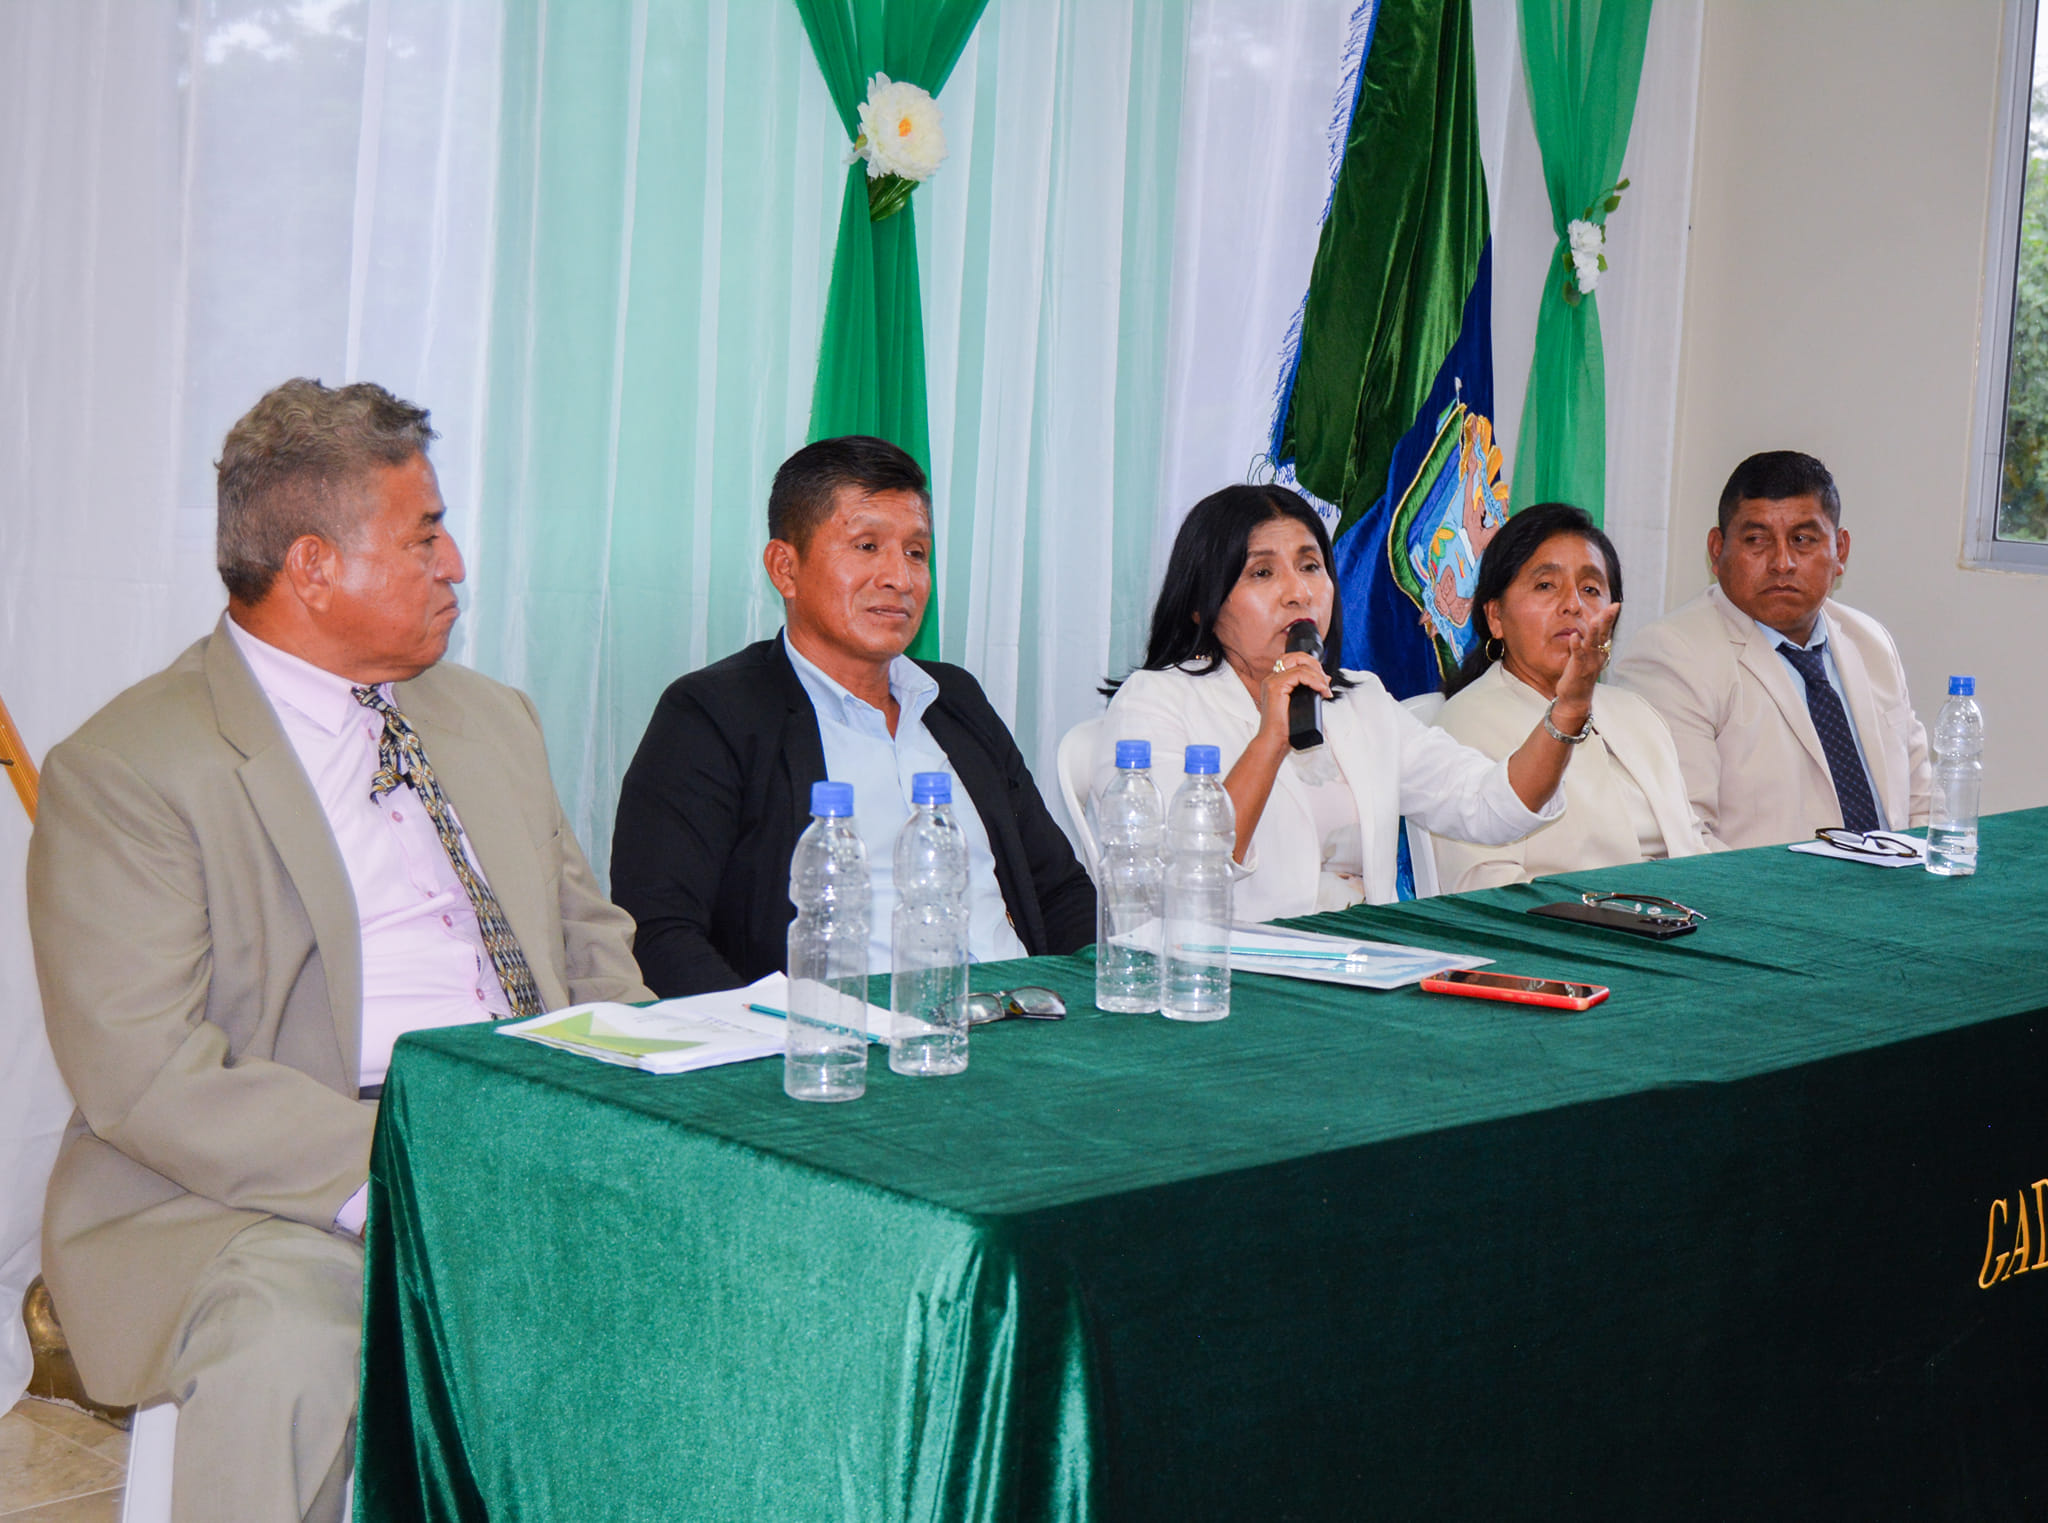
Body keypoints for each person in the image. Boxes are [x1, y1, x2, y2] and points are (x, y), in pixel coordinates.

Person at [27, 379, 650, 1523]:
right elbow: (145, 1073)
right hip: (255, 1191)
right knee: (303, 1334)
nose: (455, 562)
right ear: (312, 566)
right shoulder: (131, 766)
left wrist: (637, 1090)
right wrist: (414, 1161)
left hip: (518, 1129)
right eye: (423, 535)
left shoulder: (489, 716)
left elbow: (587, 940)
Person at [613, 435, 1094, 996]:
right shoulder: (712, 715)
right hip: (842, 1034)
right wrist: (774, 1035)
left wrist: (1099, 1002)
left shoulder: (954, 700)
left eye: (916, 553)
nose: (900, 578)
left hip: (1018, 1017)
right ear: (785, 568)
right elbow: (661, 933)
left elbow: (1058, 890)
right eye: (867, 546)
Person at [1097, 484, 1614, 922]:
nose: (1298, 592)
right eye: (1262, 573)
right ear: (1200, 604)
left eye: (1311, 566)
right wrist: (1270, 741)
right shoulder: (1157, 702)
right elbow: (1167, 883)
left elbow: (1486, 805)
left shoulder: (1359, 700)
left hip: (1365, 963)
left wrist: (1566, 713)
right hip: (1231, 972)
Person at [1610, 451, 1929, 849]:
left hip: (1896, 878)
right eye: (1757, 540)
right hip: (1763, 887)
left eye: (1802, 540)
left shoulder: (1871, 642)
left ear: (1840, 550)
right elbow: (1684, 839)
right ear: (1717, 550)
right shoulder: (1672, 655)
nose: (1782, 563)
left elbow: (1923, 804)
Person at [1426, 503, 1714, 892]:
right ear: (1495, 617)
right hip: (1572, 924)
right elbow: (1483, 888)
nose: (1573, 604)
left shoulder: (1636, 712)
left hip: (1683, 911)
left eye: (1591, 589)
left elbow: (1693, 846)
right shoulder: (1465, 724)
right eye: (1546, 585)